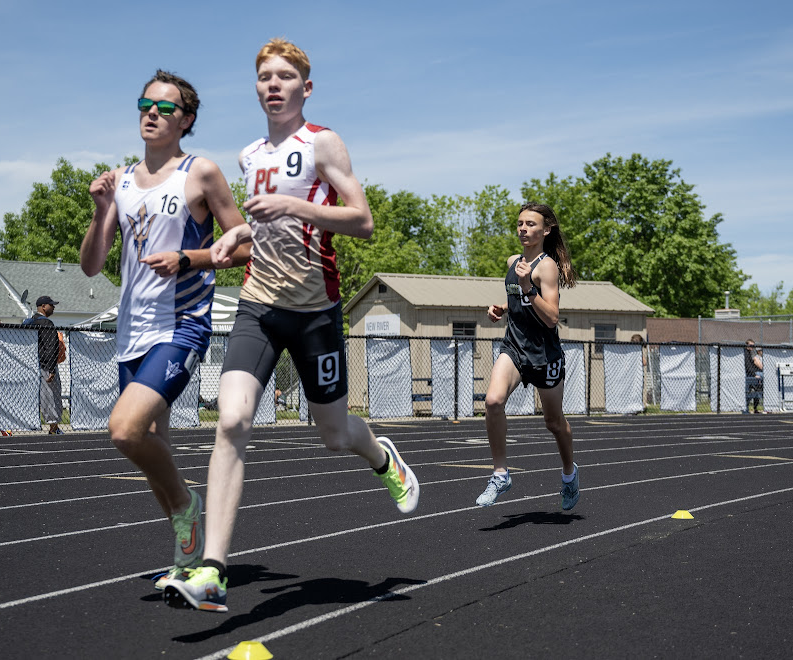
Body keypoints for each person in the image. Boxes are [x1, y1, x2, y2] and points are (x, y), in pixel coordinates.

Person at [163, 38, 419, 613]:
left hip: (314, 311)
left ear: (306, 87)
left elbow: (363, 221)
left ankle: (382, 458)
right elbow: (261, 226)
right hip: (257, 305)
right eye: (264, 77)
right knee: (231, 421)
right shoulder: (250, 154)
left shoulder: (323, 142)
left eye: (284, 77)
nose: (272, 85)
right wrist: (234, 236)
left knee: (333, 435)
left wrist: (296, 207)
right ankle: (213, 570)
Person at [80, 69, 250, 591]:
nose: (151, 113)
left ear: (187, 120)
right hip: (131, 330)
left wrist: (188, 258)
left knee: (125, 430)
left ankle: (186, 503)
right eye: (144, 105)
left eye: (164, 108)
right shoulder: (122, 179)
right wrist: (99, 208)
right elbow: (91, 265)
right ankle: (186, 558)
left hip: (180, 327)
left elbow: (243, 247)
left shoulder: (201, 174)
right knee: (154, 444)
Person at [476, 203, 579, 509]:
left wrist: (527, 287)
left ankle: (569, 473)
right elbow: (518, 302)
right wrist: (502, 308)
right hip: (515, 347)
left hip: (544, 354)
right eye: (520, 223)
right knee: (493, 401)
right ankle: (500, 473)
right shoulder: (513, 261)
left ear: (546, 230)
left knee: (553, 422)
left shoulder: (546, 267)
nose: (523, 228)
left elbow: (551, 318)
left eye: (530, 224)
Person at [24, 296, 63, 434]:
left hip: (30, 365)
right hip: (46, 365)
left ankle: (54, 427)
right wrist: (52, 368)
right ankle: (53, 428)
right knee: (52, 395)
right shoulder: (47, 323)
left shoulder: (29, 323)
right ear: (44, 306)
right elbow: (51, 347)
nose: (54, 307)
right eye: (51, 305)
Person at [744, 339, 764, 413]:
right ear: (747, 345)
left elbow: (753, 365)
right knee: (748, 392)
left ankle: (755, 408)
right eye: (750, 345)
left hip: (753, 373)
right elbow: (748, 366)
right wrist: (754, 375)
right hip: (750, 375)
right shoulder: (746, 353)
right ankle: (746, 408)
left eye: (753, 345)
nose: (752, 347)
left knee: (758, 389)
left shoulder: (750, 353)